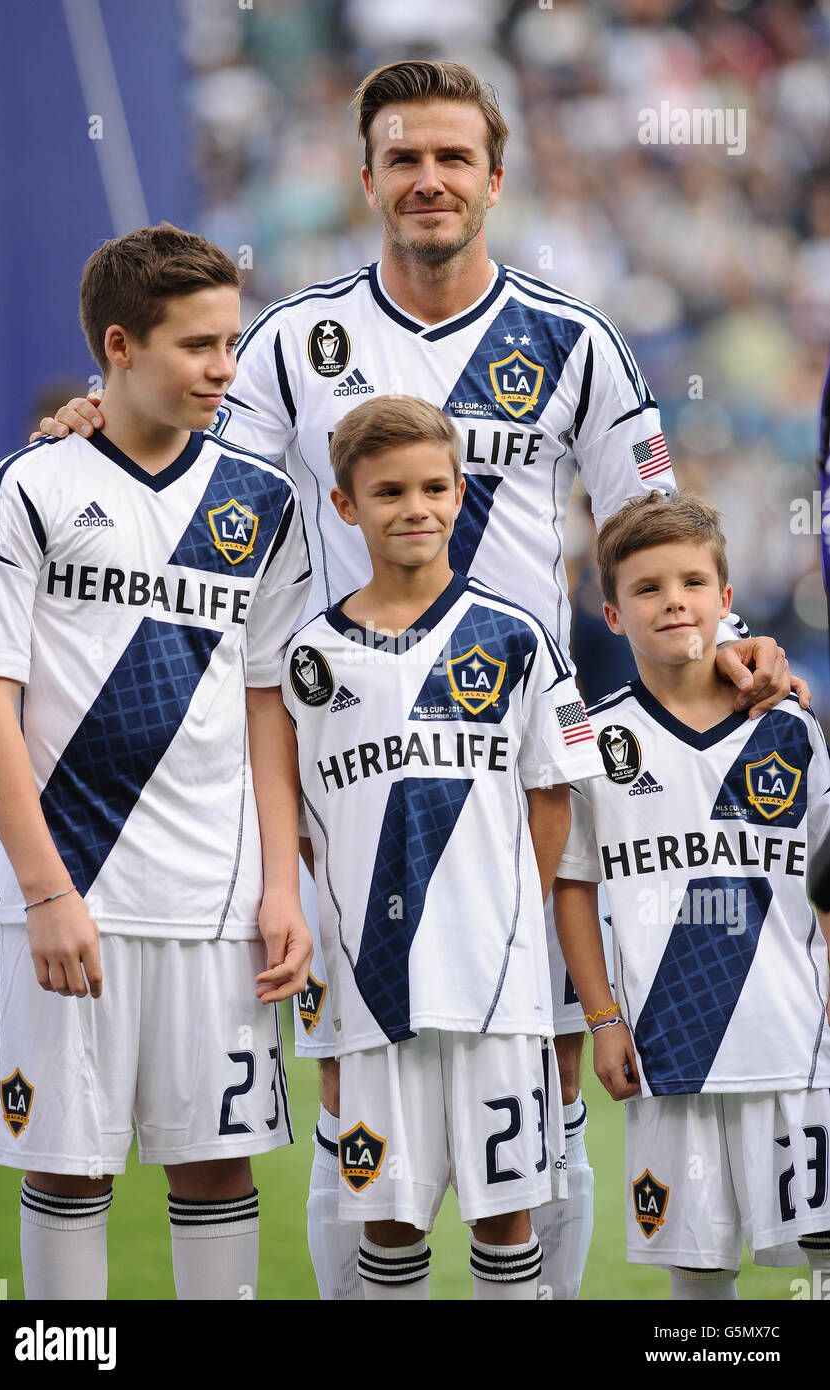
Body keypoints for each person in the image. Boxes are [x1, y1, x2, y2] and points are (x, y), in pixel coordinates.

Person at [35, 60, 803, 1302]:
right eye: (403, 158)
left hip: (521, 774)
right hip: (349, 768)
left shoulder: (573, 341)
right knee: (358, 1077)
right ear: (366, 179)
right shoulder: (293, 343)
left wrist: (729, 639)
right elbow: (188, 467)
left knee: (545, 1081)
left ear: (495, 179)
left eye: (452, 158)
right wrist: (94, 415)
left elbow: (652, 521)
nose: (429, 179)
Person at [0, 223, 313, 1300]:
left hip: (216, 903)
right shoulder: (26, 486)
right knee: (67, 1165)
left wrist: (282, 882)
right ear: (120, 345)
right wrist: (44, 890)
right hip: (68, 897)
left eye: (232, 342)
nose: (224, 368)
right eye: (198, 345)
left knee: (215, 1165)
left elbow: (266, 706)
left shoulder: (262, 503)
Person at [283, 394, 605, 1299]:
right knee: (389, 1215)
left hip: (494, 979)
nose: (414, 508)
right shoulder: (310, 656)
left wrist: (506, 915)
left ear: (461, 493)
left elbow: (554, 800)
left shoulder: (519, 637)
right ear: (345, 506)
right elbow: (308, 823)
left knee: (504, 1213)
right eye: (387, 492)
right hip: (371, 977)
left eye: (433, 487)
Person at [553, 490, 830, 1299]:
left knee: (822, 1252)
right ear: (610, 614)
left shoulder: (789, 729)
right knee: (698, 1269)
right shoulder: (597, 743)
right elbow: (572, 887)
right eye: (646, 588)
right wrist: (603, 1020)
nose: (673, 601)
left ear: (726, 602)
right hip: (668, 1047)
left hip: (795, 1042)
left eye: (690, 583)